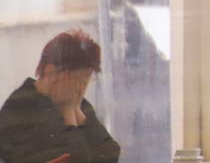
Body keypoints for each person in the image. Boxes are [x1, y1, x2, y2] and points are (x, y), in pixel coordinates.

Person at [0, 29, 120, 163]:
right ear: (50, 71)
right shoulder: (21, 106)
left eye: (85, 82)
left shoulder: (79, 104)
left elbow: (111, 154)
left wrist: (79, 116)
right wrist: (68, 112)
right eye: (77, 80)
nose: (81, 89)